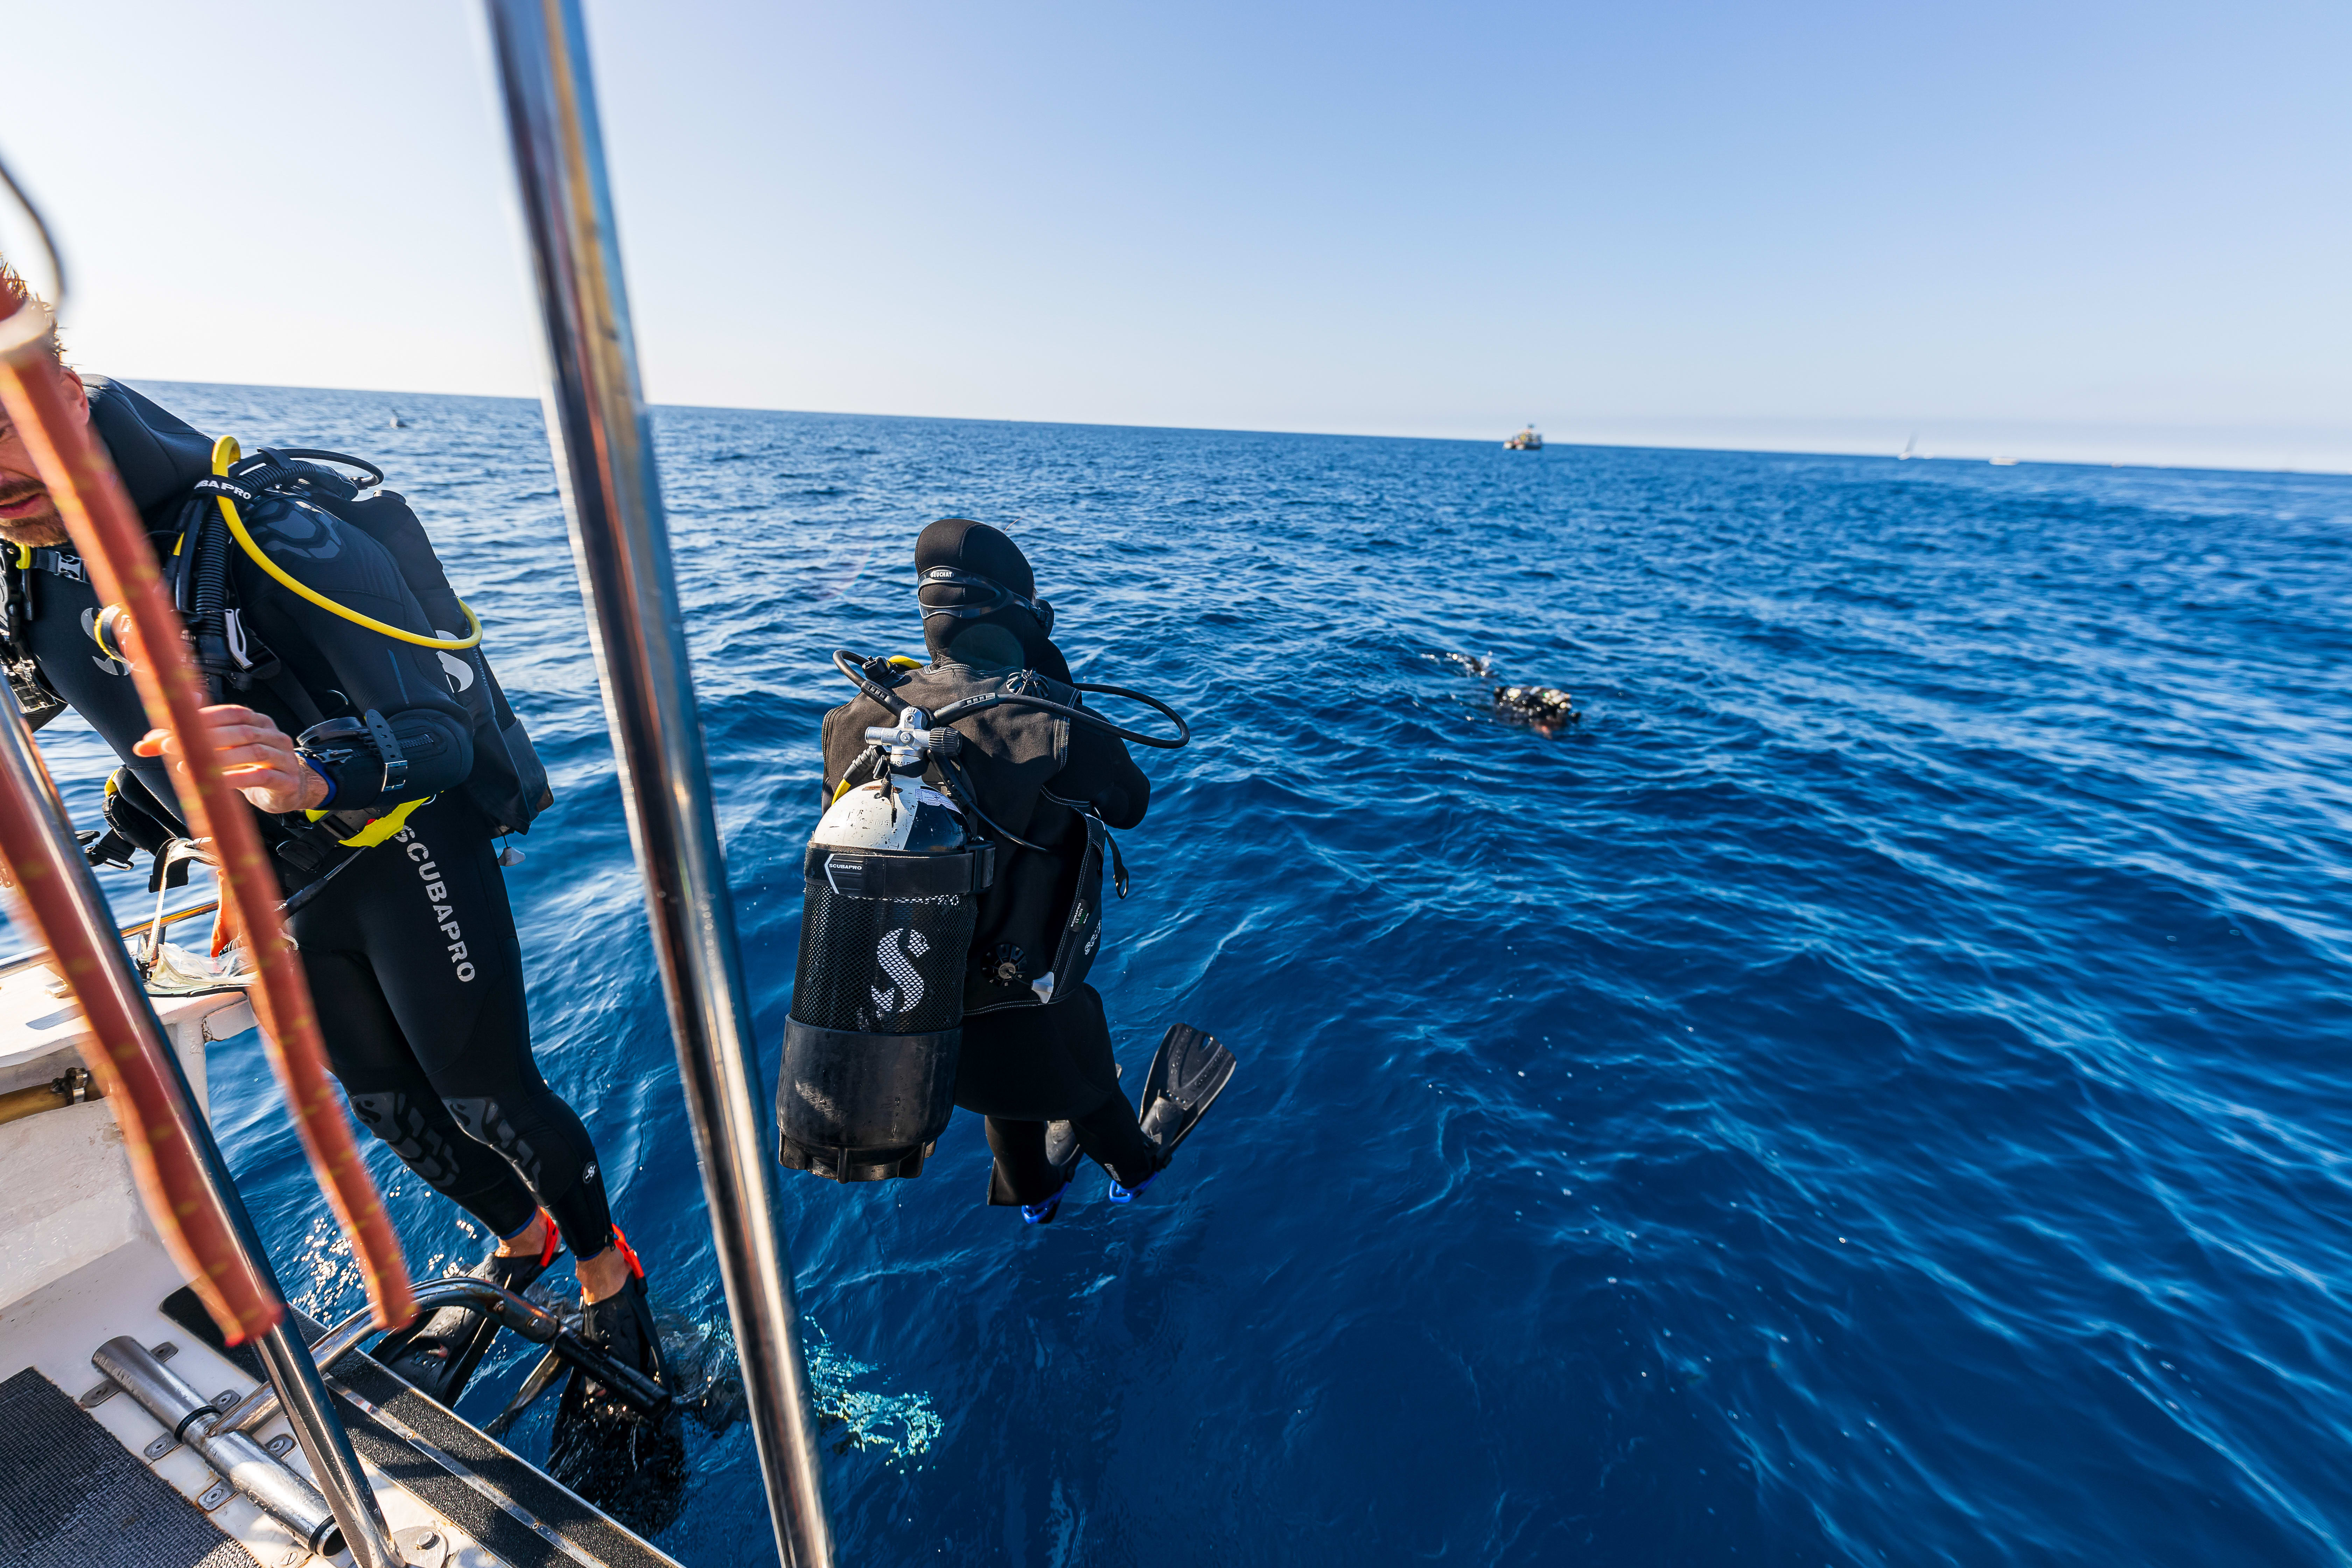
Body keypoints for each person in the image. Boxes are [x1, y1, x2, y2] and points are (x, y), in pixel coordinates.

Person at [0, 262, 660, 1409]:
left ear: (62, 384)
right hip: (276, 882)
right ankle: (524, 1242)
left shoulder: (273, 535)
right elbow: (119, 727)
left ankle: (610, 1279)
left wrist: (316, 768)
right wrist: (130, 825)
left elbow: (443, 730)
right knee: (388, 1106)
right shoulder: (25, 562)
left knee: (487, 1093)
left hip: (405, 853)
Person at [816, 518, 1234, 1222]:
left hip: (906, 1009)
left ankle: (1032, 1192)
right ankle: (1135, 1169)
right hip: (1027, 1002)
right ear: (1024, 614)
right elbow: (1130, 802)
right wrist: (1057, 687)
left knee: (1008, 1087)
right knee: (1089, 1084)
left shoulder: (859, 716)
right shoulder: (1048, 718)